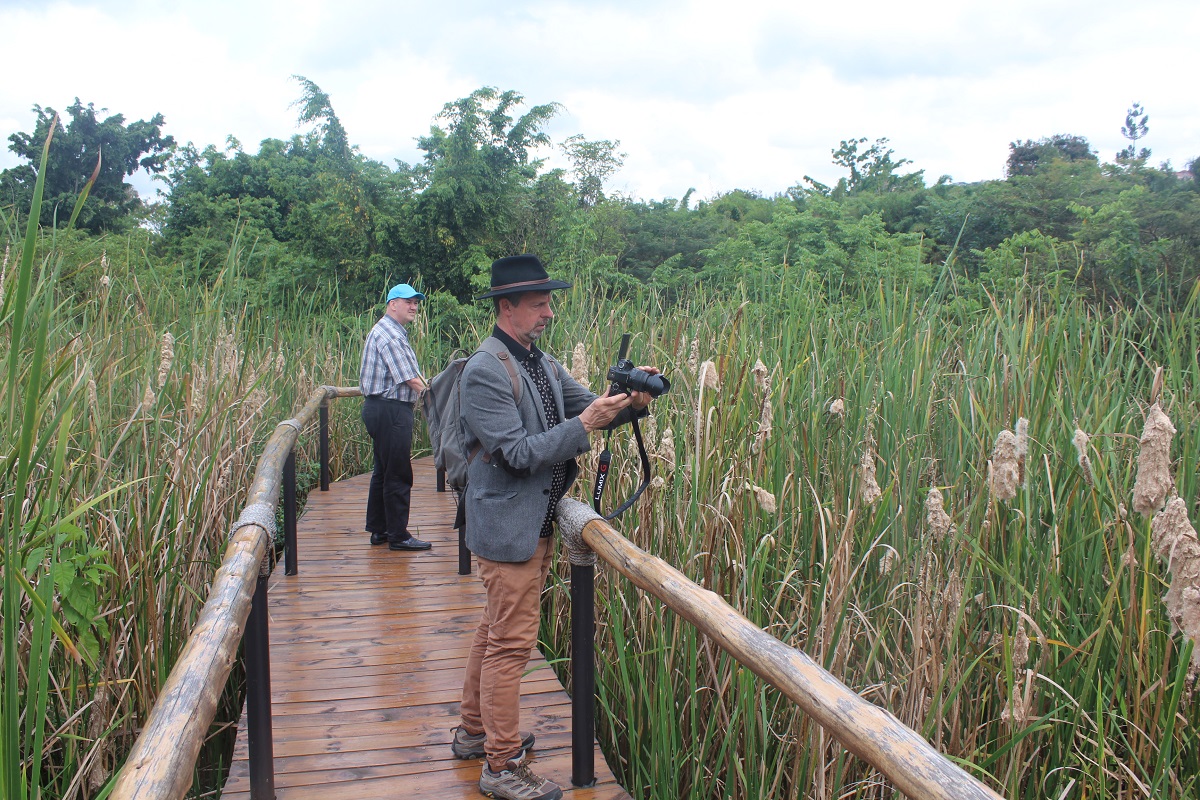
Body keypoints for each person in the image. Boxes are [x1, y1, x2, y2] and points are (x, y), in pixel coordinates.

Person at [451, 255, 659, 800]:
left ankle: (476, 734)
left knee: (493, 631)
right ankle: (500, 765)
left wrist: (632, 402)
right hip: (507, 528)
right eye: (539, 304)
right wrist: (586, 423)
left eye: (548, 302)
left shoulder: (538, 363)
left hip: (531, 522)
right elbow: (518, 454)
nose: (548, 312)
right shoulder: (485, 370)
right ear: (507, 307)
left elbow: (589, 407)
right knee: (511, 644)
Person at [359, 283, 432, 552]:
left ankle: (380, 530)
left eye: (416, 302)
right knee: (398, 474)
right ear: (392, 304)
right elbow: (411, 378)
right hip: (390, 410)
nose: (414, 306)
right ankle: (398, 536)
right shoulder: (390, 335)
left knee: (383, 471)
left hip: (379, 408)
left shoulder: (386, 330)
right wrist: (435, 400)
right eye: (408, 301)